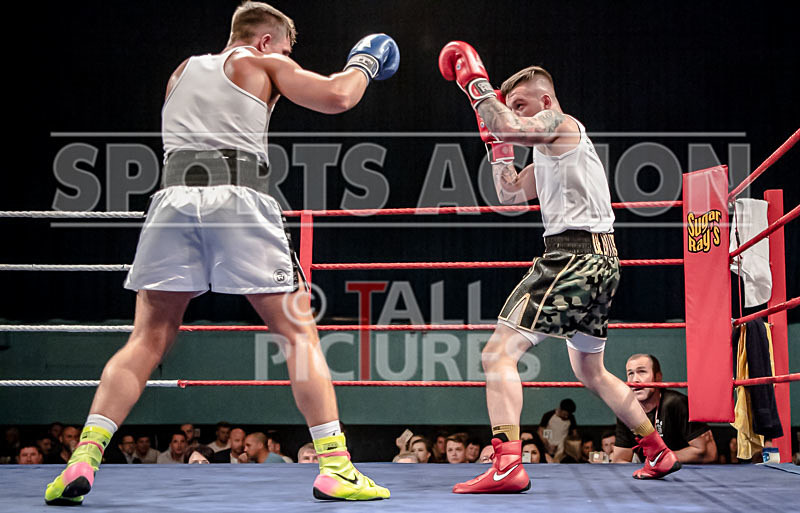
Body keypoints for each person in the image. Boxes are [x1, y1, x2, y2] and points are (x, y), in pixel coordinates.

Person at [44, 1, 397, 505]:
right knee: (298, 333)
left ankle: (82, 459)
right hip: (237, 196)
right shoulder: (261, 62)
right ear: (265, 41)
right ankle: (336, 467)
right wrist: (363, 62)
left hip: (171, 200)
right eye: (287, 49)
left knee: (147, 337)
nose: (287, 57)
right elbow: (339, 97)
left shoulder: (182, 71)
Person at [439, 43, 681, 493]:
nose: (513, 114)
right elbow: (510, 195)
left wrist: (478, 87)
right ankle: (658, 451)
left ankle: (508, 464)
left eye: (521, 103)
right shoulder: (548, 149)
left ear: (544, 102)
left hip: (573, 255)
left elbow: (508, 123)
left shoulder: (560, 124)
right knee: (591, 371)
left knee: (497, 354)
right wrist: (498, 149)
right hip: (601, 259)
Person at [612, 354, 718, 464]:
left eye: (642, 372)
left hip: (687, 474)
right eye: (630, 373)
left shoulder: (676, 403)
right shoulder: (627, 411)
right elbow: (620, 459)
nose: (635, 380)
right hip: (650, 477)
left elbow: (708, 453)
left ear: (658, 377)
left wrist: (660, 459)